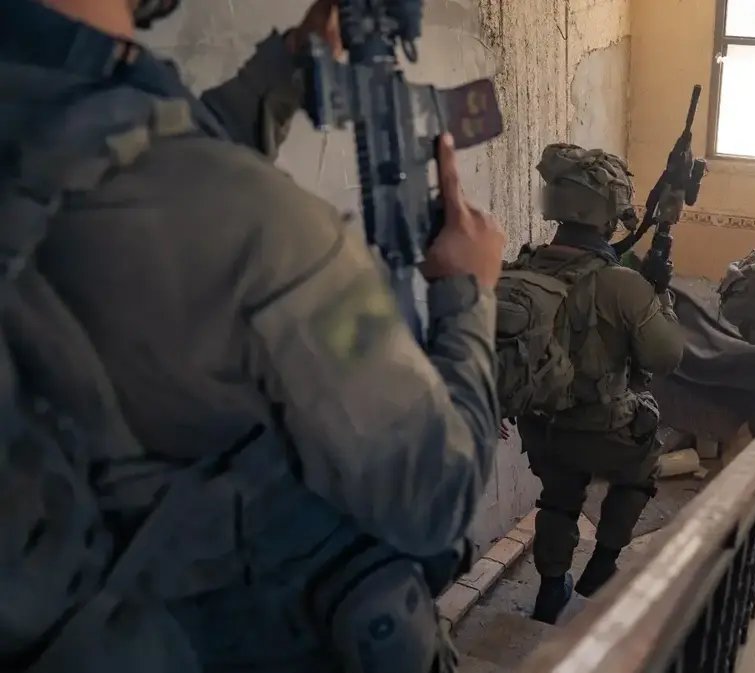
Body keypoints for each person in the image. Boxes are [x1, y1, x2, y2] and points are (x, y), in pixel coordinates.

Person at [0, 1, 504, 671]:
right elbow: (436, 495)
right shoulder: (267, 231)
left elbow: (150, 172)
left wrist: (286, 68)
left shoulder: (41, 133)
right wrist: (467, 292)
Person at [508, 144, 684, 624]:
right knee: (641, 467)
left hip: (541, 428)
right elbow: (666, 357)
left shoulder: (521, 268)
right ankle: (602, 565)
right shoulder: (621, 284)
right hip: (603, 429)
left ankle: (550, 591)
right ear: (609, 212)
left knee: (558, 500)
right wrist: (659, 294)